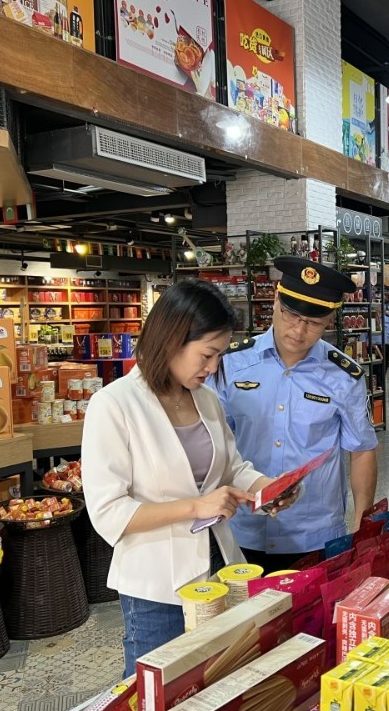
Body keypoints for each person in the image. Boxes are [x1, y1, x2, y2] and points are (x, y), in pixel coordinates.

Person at [82, 280, 277, 677]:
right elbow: (108, 511)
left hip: (218, 565)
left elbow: (233, 467)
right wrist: (195, 507)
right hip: (156, 585)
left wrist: (265, 487)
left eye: (219, 356)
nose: (213, 368)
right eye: (207, 355)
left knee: (214, 677)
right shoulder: (114, 404)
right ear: (172, 339)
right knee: (154, 690)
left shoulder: (205, 398)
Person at [213, 256, 379, 574]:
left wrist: (362, 526)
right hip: (243, 529)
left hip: (314, 535)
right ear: (276, 300)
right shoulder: (231, 365)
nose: (298, 330)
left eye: (314, 322)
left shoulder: (344, 375)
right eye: (290, 314)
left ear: (330, 319)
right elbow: (216, 444)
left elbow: (362, 450)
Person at [361, 304, 389, 392]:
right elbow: (364, 334)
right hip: (373, 347)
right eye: (378, 307)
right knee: (376, 368)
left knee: (383, 367)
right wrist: (363, 347)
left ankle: (380, 386)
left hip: (384, 347)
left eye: (383, 307)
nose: (381, 309)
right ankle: (377, 386)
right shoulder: (370, 320)